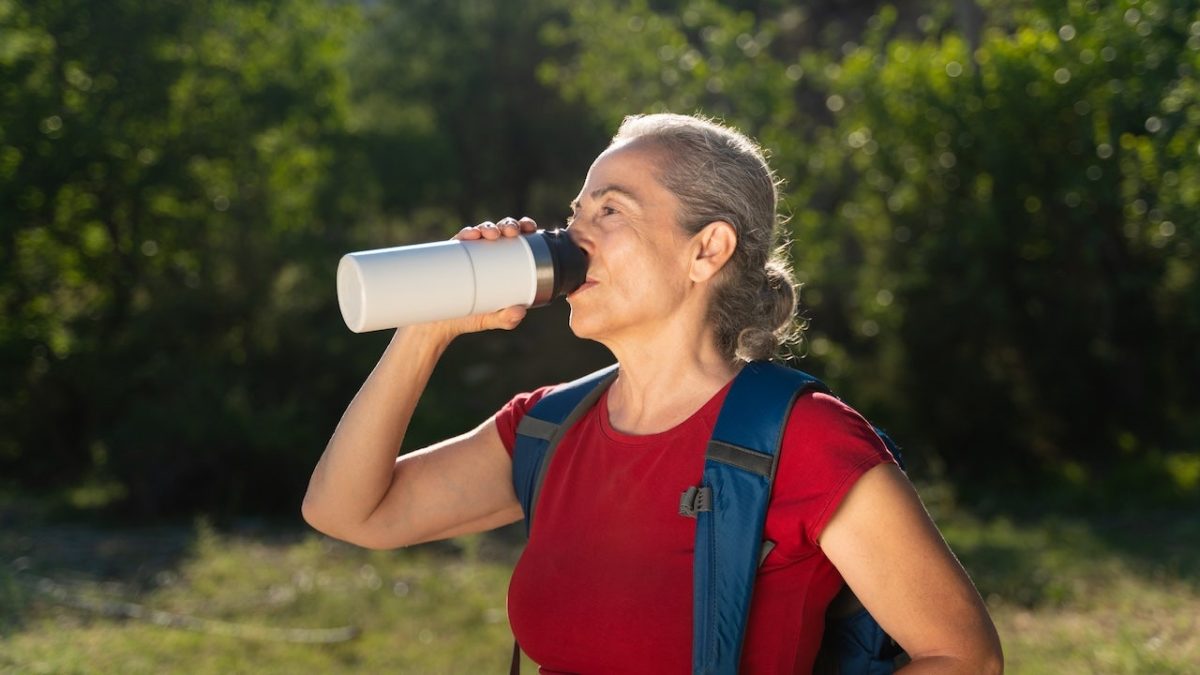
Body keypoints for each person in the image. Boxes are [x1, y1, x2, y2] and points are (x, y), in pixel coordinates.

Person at [302, 113, 1004, 674]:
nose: (574, 235)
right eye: (577, 211)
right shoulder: (547, 427)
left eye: (611, 211)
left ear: (707, 250)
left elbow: (963, 657)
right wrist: (427, 330)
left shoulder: (802, 439)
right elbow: (347, 511)